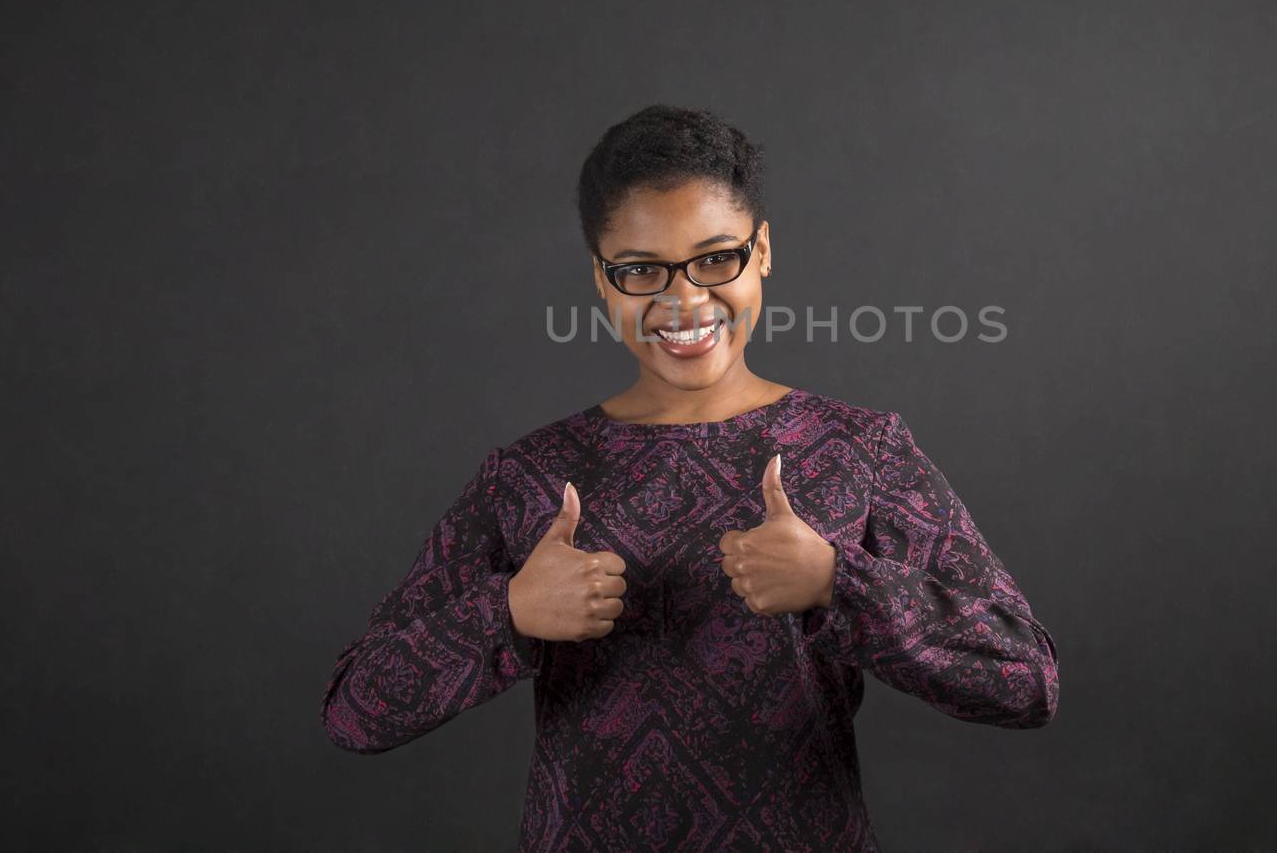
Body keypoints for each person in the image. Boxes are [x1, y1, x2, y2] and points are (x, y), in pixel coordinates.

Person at [320, 104, 1060, 851]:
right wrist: (508, 610)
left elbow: (1025, 680)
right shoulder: (531, 474)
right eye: (642, 268)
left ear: (762, 249)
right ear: (602, 280)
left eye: (715, 258)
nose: (683, 299)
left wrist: (841, 583)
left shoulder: (858, 449)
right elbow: (355, 710)